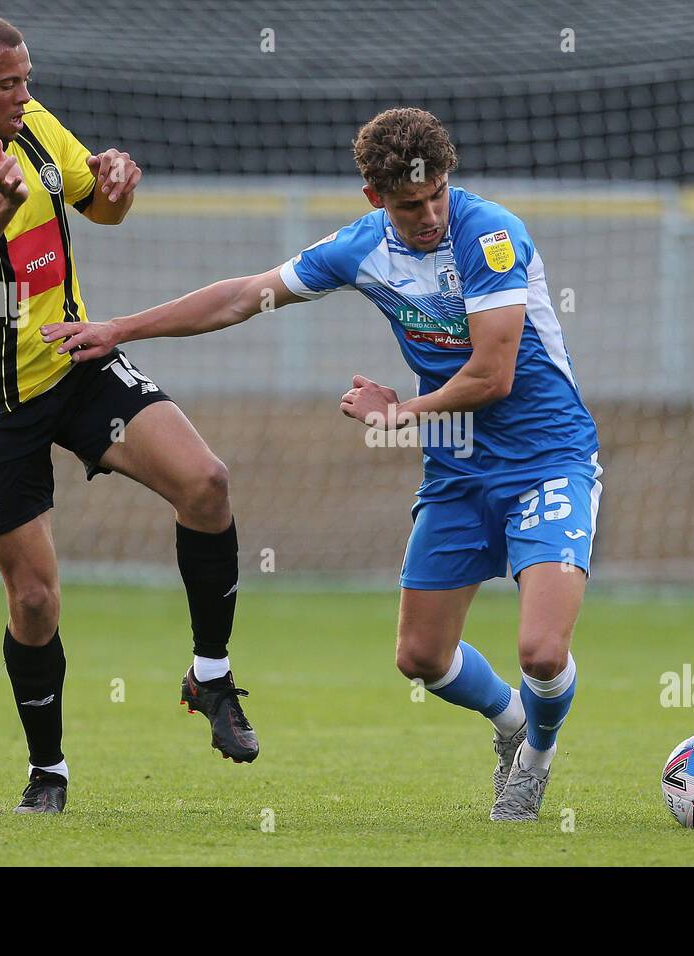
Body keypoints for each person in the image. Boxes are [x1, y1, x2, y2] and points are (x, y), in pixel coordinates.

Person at [41, 107, 601, 822]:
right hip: (458, 468)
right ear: (376, 200)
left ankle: (536, 761)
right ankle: (511, 724)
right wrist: (118, 328)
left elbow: (494, 376)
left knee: (542, 653)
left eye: (437, 196)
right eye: (409, 205)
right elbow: (245, 296)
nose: (428, 215)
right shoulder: (363, 246)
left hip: (547, 458)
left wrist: (399, 414)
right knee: (422, 658)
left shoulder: (489, 235)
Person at [0, 13, 258, 815]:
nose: (25, 95)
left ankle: (211, 674)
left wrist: (122, 187)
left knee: (207, 482)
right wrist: (1, 199)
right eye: (7, 84)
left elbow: (99, 205)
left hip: (77, 359)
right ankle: (49, 771)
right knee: (34, 601)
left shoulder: (35, 124)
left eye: (27, 79)